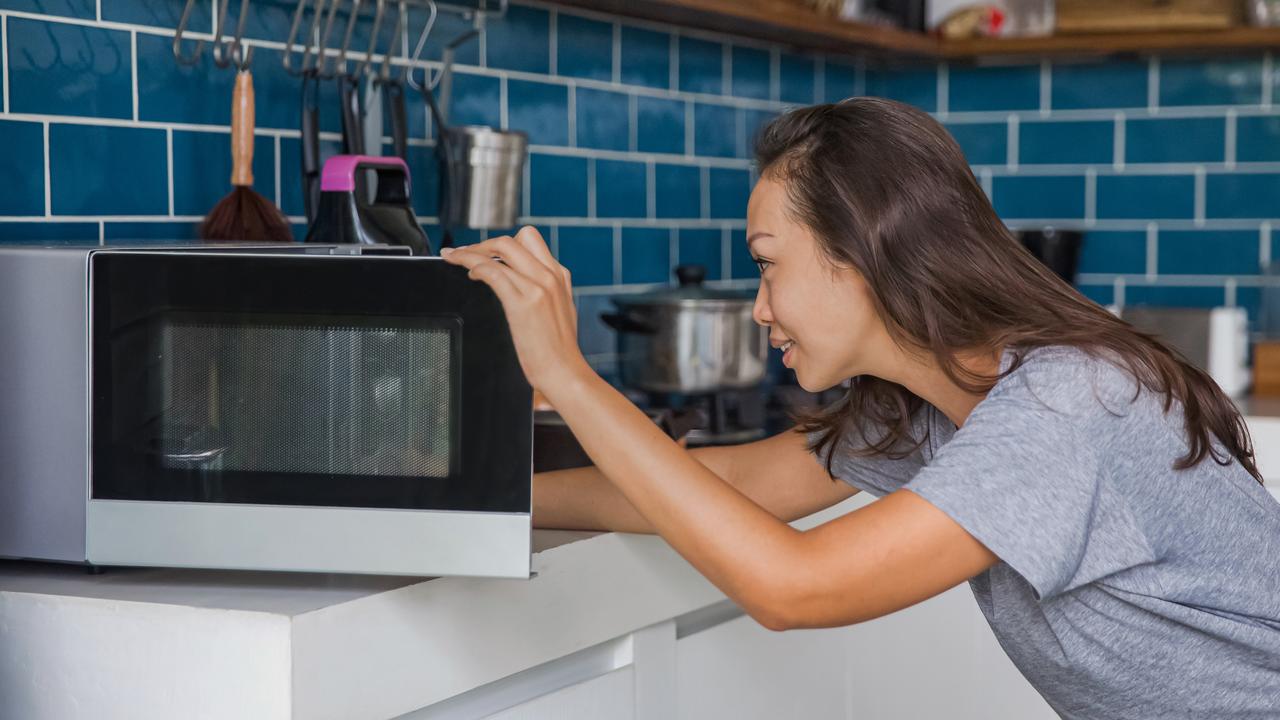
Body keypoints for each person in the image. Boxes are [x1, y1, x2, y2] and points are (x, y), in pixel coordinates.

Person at [440, 97, 1280, 718]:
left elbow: (794, 588)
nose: (761, 307)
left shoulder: (1067, 404)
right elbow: (740, 483)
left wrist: (572, 375)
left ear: (863, 254)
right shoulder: (935, 406)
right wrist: (470, 490)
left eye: (768, 265)